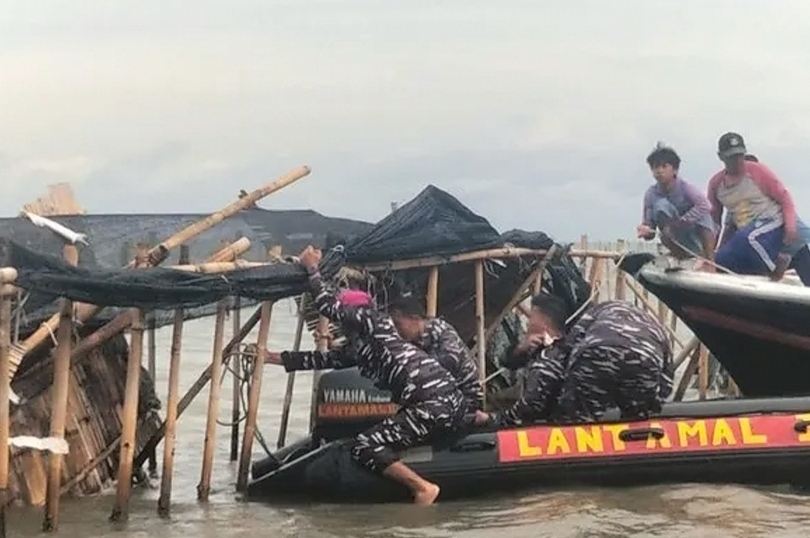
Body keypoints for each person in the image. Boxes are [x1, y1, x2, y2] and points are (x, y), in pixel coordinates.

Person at [279, 246, 466, 505]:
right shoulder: (363, 346)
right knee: (374, 435)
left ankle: (423, 488)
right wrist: (271, 357)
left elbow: (326, 305)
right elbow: (320, 359)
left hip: (432, 403)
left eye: (344, 316)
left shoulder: (374, 320)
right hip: (444, 403)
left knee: (365, 445)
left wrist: (312, 268)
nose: (341, 322)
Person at [475, 294, 673, 426]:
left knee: (575, 421)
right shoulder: (596, 317)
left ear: (543, 325)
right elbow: (666, 376)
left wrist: (493, 419)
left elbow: (532, 405)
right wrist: (655, 402)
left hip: (599, 349)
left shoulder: (554, 353)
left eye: (530, 320)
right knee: (637, 420)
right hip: (651, 353)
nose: (527, 326)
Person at [708, 132, 800, 277]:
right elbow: (715, 221)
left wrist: (790, 226)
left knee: (748, 238)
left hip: (772, 222)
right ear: (721, 157)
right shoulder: (716, 184)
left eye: (739, 155)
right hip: (746, 230)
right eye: (732, 157)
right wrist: (711, 254)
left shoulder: (757, 171)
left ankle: (775, 269)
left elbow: (784, 197)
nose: (737, 160)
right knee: (722, 258)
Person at [387, 294, 484, 412]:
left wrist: (418, 370)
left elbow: (451, 360)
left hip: (466, 398)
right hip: (438, 398)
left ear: (415, 319)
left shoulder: (441, 329)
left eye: (398, 324)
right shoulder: (410, 344)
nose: (396, 330)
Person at [636, 143, 716, 266]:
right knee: (661, 206)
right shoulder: (651, 194)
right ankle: (679, 256)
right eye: (655, 167)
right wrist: (645, 231)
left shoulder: (686, 188)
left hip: (693, 235)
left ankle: (710, 262)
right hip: (673, 237)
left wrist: (681, 222)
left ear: (675, 170)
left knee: (704, 217)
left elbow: (705, 205)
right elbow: (649, 228)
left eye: (664, 166)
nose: (659, 171)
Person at [744, 153, 810, 284]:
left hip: (791, 244)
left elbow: (788, 209)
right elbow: (729, 227)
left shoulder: (768, 194)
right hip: (766, 247)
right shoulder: (736, 198)